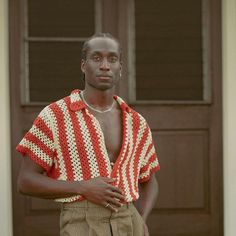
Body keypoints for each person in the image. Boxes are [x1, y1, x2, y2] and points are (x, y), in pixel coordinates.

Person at [16, 33, 160, 236]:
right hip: (81, 222)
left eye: (112, 59)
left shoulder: (136, 122)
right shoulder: (55, 115)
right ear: (84, 66)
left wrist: (141, 219)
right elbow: (25, 181)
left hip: (129, 221)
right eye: (96, 58)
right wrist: (81, 187)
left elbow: (149, 180)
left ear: (120, 67)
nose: (105, 65)